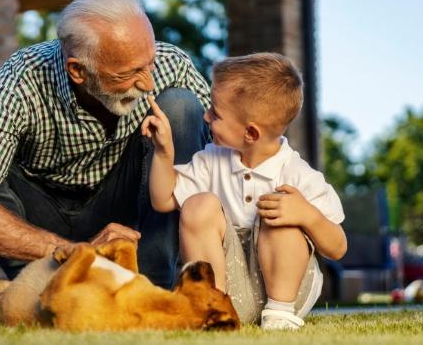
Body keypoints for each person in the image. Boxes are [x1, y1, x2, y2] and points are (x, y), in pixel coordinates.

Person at [0, 0, 210, 288]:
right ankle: (43, 290)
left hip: (130, 209)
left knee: (181, 107)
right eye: (128, 73)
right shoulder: (21, 80)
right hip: (41, 212)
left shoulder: (171, 65)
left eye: (150, 62)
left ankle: (155, 286)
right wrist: (72, 253)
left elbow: (229, 152)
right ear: (78, 71)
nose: (148, 83)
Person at [143, 52, 347, 330]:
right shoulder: (211, 160)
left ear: (250, 133)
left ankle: (280, 317)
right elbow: (163, 199)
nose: (206, 116)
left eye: (215, 113)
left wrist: (307, 216)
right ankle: (211, 306)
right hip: (231, 289)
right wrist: (164, 151)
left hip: (286, 294)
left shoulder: (297, 174)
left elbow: (338, 247)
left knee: (282, 208)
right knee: (198, 205)